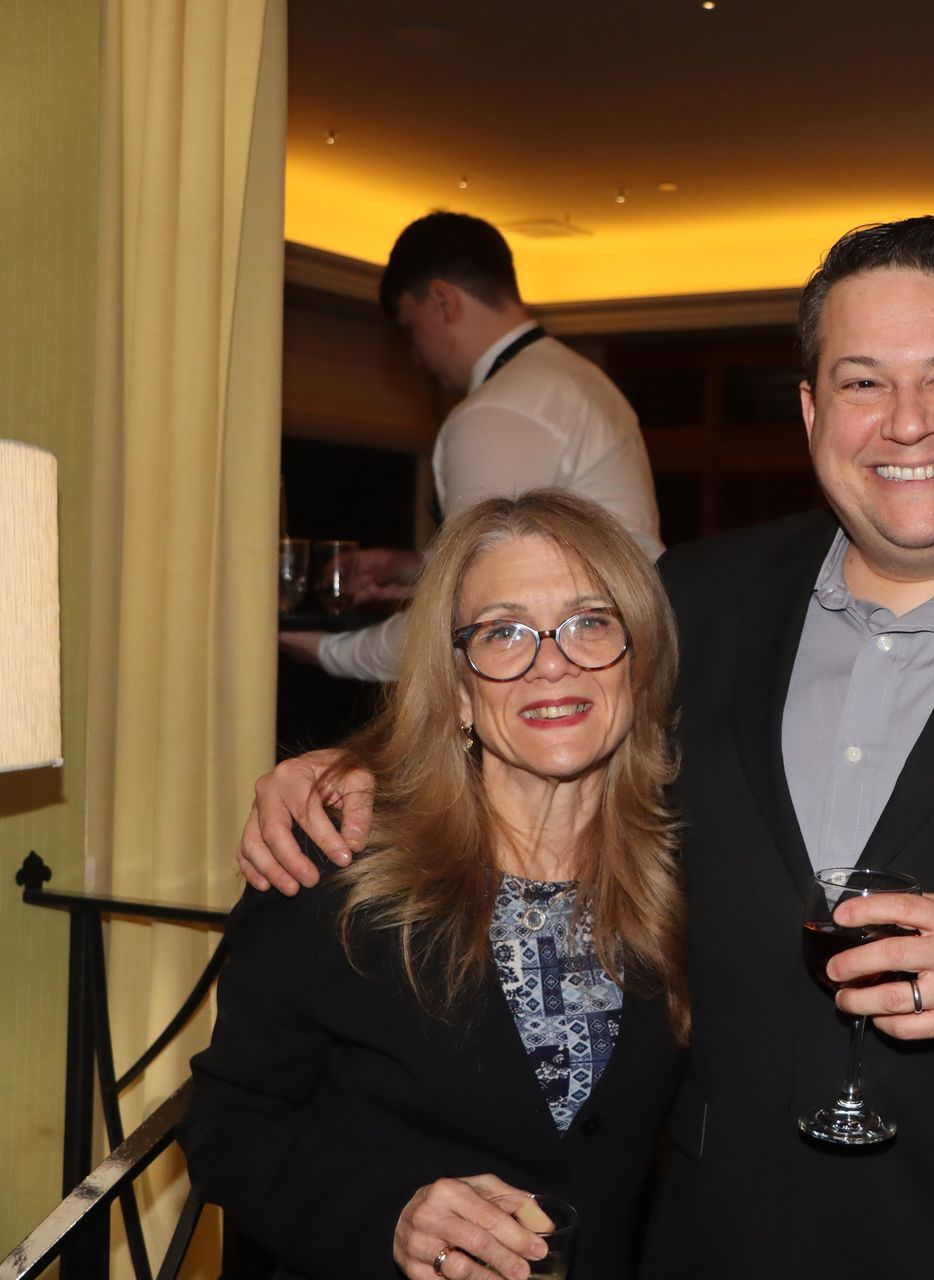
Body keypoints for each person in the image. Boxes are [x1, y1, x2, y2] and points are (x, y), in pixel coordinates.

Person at [237, 216, 934, 1278]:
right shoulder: (698, 601)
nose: (907, 422)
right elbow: (541, 707)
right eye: (863, 382)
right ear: (810, 409)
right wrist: (353, 769)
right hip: (714, 1233)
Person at [186, 491, 686, 1280]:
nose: (551, 662)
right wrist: (391, 1216)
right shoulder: (340, 869)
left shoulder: (693, 874)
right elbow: (229, 1128)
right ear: (457, 687)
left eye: (591, 622)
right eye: (503, 633)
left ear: (640, 659)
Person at [285, 211, 662, 681]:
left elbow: (470, 611)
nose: (415, 354)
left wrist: (324, 649)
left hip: (563, 672)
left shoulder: (496, 410)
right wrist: (412, 567)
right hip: (617, 657)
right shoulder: (579, 378)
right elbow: (557, 551)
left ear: (443, 300)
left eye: (410, 326)